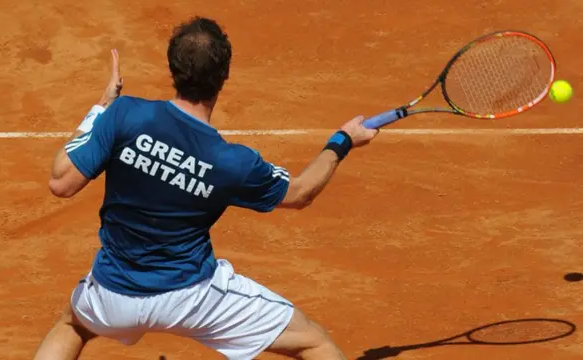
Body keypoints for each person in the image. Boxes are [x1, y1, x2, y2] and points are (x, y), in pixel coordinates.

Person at [33, 16, 378, 360]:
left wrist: (103, 106)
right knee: (313, 342)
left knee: (72, 326)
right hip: (192, 298)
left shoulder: (125, 114)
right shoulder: (232, 162)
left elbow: (61, 182)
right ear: (223, 76)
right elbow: (301, 192)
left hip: (113, 294)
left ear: (173, 68)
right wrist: (342, 141)